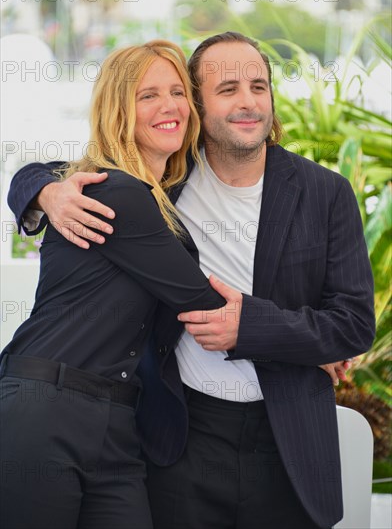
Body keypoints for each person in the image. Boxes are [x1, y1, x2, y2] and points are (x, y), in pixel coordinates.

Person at [7, 32, 374, 529]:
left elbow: (352, 326)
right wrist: (43, 192)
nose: (247, 102)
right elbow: (76, 170)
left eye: (259, 86)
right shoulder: (163, 180)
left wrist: (286, 335)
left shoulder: (326, 192)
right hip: (182, 435)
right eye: (227, 89)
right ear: (200, 104)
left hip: (287, 440)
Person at [0, 39, 229, 529]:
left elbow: (32, 175)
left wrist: (41, 188)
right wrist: (306, 338)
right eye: (148, 95)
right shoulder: (115, 191)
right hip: (47, 408)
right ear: (118, 110)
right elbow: (200, 301)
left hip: (117, 420)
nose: (169, 106)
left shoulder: (152, 191)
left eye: (176, 92)